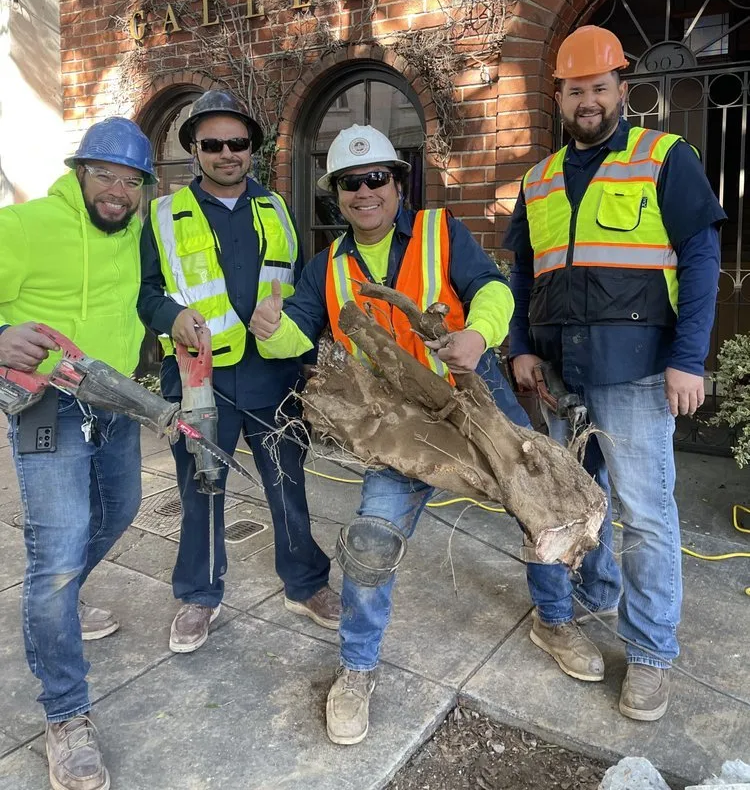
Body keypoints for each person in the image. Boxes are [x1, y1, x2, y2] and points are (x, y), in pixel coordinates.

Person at [249, 123, 529, 746]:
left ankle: (557, 618)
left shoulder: (440, 231)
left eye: (376, 177)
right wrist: (270, 328)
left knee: (540, 506)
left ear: (398, 183)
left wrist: (479, 334)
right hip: (400, 427)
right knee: (372, 541)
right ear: (337, 195)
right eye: (350, 183)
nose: (364, 192)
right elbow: (297, 333)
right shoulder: (325, 266)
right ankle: (357, 668)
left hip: (473, 401)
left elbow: (491, 287)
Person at [504, 25, 726, 722]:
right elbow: (521, 274)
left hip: (636, 373)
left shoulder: (663, 158)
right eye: (576, 91)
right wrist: (519, 347)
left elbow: (701, 261)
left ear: (621, 90)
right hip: (558, 373)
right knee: (569, 503)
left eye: (599, 88)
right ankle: (591, 595)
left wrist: (688, 359)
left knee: (645, 515)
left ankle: (651, 653)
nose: (588, 101)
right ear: (560, 96)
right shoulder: (539, 179)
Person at [138, 89, 338, 656]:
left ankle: (306, 583)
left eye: (238, 142)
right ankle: (200, 594)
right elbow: (146, 293)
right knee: (201, 486)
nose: (227, 153)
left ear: (252, 147)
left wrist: (304, 346)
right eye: (213, 144)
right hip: (199, 378)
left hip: (273, 375)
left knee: (287, 481)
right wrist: (172, 316)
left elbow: (301, 286)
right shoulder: (163, 216)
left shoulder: (275, 209)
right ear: (195, 151)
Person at [0, 118, 156, 790]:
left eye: (131, 180)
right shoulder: (26, 226)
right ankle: (65, 715)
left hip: (114, 398)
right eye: (105, 174)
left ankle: (58, 605)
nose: (117, 190)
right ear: (79, 173)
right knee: (57, 555)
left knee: (121, 508)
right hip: (48, 405)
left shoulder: (135, 232)